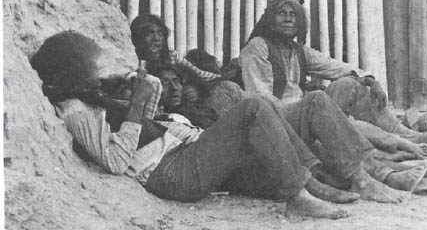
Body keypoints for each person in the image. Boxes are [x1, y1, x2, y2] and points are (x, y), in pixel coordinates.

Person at [30, 30, 348, 219]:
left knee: (266, 136)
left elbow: (150, 108)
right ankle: (300, 196)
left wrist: (133, 84)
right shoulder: (75, 111)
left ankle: (308, 183)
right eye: (92, 67)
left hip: (184, 155)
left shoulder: (88, 96)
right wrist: (135, 104)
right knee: (252, 109)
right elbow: (115, 161)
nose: (98, 71)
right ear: (73, 70)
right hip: (171, 172)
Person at [150, 58, 427, 199]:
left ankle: (425, 175)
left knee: (319, 102)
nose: (176, 87)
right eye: (165, 84)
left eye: (179, 80)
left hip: (267, 142)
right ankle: (422, 178)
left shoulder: (217, 95)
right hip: (246, 166)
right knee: (322, 149)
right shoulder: (170, 122)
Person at [239, 0, 427, 154]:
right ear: (271, 21)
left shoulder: (298, 50)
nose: (287, 18)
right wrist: (308, 111)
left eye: (293, 15)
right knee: (337, 117)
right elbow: (261, 96)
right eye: (281, 13)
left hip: (308, 112)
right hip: (279, 119)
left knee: (351, 83)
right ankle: (407, 142)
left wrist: (370, 79)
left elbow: (334, 66)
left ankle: (410, 135)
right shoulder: (257, 47)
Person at [130, 14, 244, 121]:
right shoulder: (132, 60)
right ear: (139, 37)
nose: (156, 38)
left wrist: (224, 77)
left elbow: (200, 74)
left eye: (160, 33)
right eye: (150, 33)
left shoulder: (170, 55)